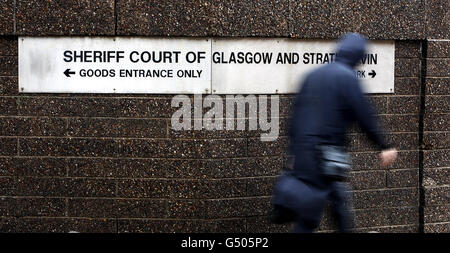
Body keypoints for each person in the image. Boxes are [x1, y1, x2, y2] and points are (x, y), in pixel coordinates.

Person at [284, 33, 398, 233]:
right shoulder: (347, 77)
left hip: (303, 154)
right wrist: (384, 145)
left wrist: (294, 151)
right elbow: (364, 115)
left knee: (317, 207)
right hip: (325, 156)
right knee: (334, 206)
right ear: (358, 56)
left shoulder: (313, 75)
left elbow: (294, 117)